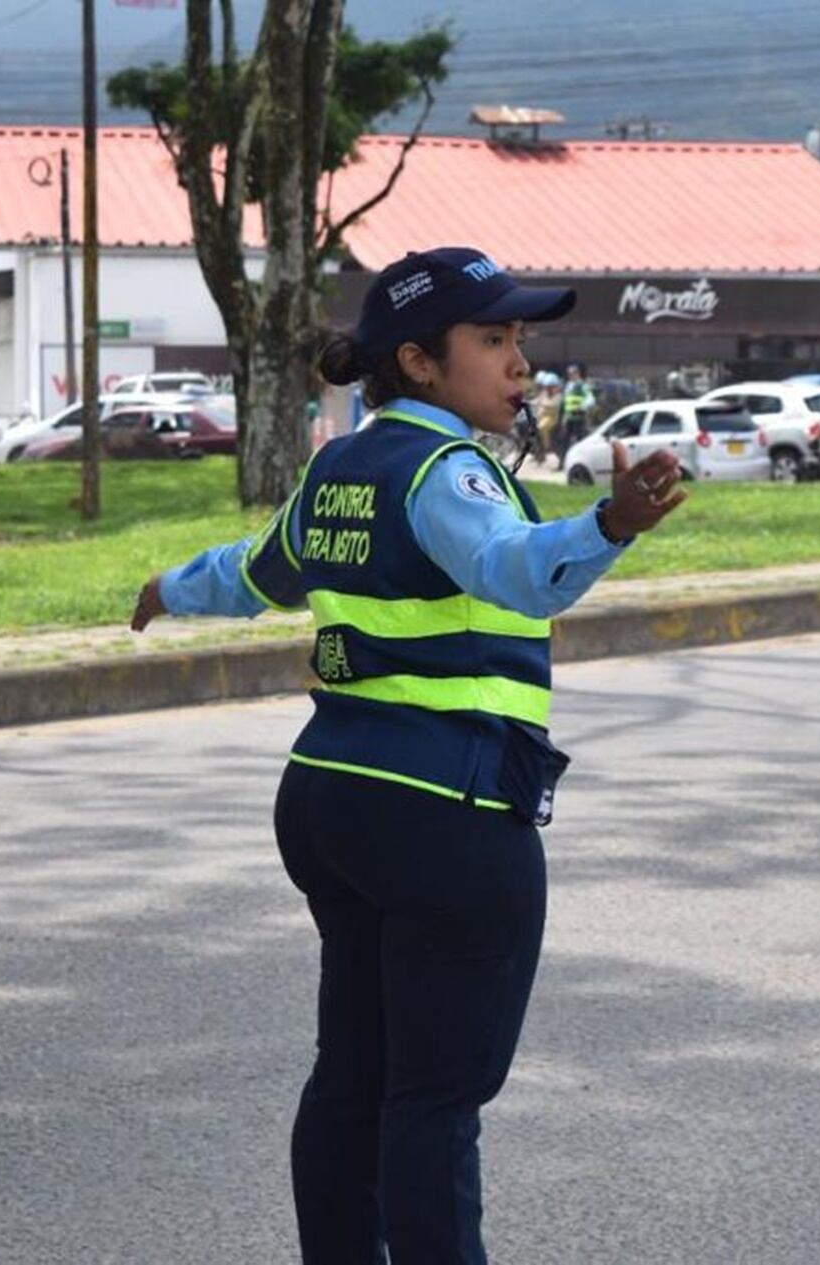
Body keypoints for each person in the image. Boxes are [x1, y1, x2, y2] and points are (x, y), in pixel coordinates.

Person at [129, 246, 685, 1264]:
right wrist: (610, 523)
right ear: (421, 361)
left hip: (333, 799)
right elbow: (514, 569)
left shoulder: (340, 468)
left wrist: (168, 586)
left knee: (353, 1072)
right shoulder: (448, 470)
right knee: (434, 1096)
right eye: (494, 339)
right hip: (446, 811)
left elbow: (253, 573)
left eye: (521, 338)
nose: (519, 361)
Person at [559, 363, 596, 453]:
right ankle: (562, 461)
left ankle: (580, 457)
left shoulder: (582, 385)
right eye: (569, 373)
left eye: (572, 373)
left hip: (579, 417)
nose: (570, 375)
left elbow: (590, 399)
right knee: (565, 439)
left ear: (577, 373)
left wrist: (583, 406)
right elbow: (565, 400)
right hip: (569, 417)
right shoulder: (568, 385)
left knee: (580, 439)